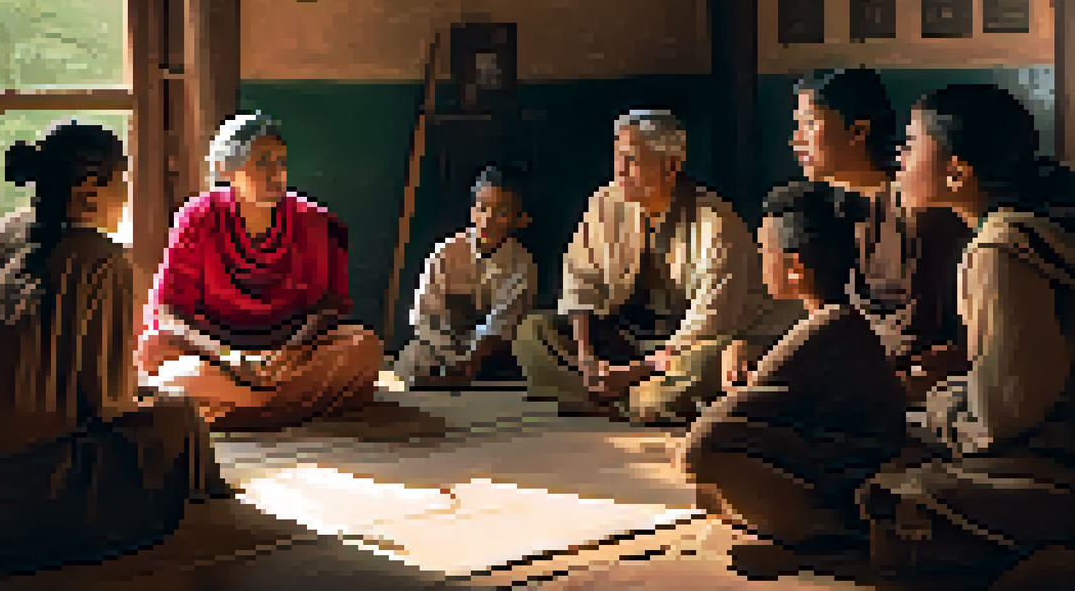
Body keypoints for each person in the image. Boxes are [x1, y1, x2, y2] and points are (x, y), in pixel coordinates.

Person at [0, 121, 228, 573]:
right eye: (121, 185)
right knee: (178, 417)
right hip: (29, 505)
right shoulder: (99, 259)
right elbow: (108, 404)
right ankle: (211, 512)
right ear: (89, 189)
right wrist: (154, 398)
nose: (125, 199)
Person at [858, 84, 1075, 587]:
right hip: (1042, 443)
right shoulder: (1025, 229)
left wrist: (935, 399)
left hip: (1053, 460)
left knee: (889, 494)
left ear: (956, 172)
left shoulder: (1002, 246)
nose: (899, 155)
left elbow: (1003, 416)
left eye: (911, 144)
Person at [679, 180, 908, 580]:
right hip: (835, 469)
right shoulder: (835, 322)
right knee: (710, 478)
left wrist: (739, 395)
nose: (758, 260)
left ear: (795, 268)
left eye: (764, 251)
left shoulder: (828, 328)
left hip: (848, 490)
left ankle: (826, 535)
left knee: (703, 455)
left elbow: (706, 436)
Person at [516, 109, 781, 424]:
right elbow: (580, 283)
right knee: (533, 333)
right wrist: (586, 356)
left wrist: (633, 372)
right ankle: (625, 396)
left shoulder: (716, 222)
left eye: (631, 161)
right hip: (630, 338)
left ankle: (619, 397)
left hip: (689, 347)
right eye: (617, 158)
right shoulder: (604, 203)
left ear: (670, 167)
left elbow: (708, 326)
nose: (619, 170)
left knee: (707, 364)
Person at [725, 67, 972, 403]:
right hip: (853, 359)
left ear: (858, 131)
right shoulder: (830, 205)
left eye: (810, 124)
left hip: (912, 374)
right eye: (796, 125)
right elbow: (825, 312)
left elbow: (919, 333)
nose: (796, 140)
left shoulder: (919, 211)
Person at [137, 111, 384, 431]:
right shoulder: (196, 218)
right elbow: (166, 312)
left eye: (281, 162)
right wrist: (230, 357)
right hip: (215, 350)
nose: (276, 173)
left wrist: (292, 349)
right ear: (228, 170)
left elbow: (331, 307)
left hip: (288, 352)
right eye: (261, 161)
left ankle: (237, 408)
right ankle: (282, 407)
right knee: (154, 346)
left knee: (363, 347)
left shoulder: (313, 221)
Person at [394, 163, 538, 387]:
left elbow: (502, 324)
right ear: (472, 210)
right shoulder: (446, 253)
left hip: (488, 351)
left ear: (521, 219)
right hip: (441, 344)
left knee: (520, 360)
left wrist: (470, 361)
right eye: (481, 209)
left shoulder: (522, 264)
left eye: (500, 213)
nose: (487, 220)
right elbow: (426, 315)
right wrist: (448, 356)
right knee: (414, 359)